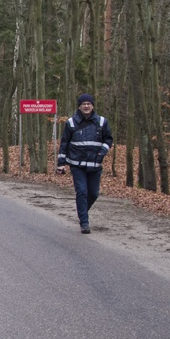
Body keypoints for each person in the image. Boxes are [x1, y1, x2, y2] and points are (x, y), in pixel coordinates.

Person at [57, 93, 113, 234]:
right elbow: (64, 143)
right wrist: (61, 163)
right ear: (79, 106)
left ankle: (82, 211)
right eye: (83, 104)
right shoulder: (71, 122)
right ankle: (84, 222)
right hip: (77, 164)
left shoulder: (101, 122)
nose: (86, 106)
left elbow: (108, 139)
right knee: (81, 191)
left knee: (93, 193)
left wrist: (101, 153)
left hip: (95, 164)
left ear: (92, 106)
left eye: (89, 104)